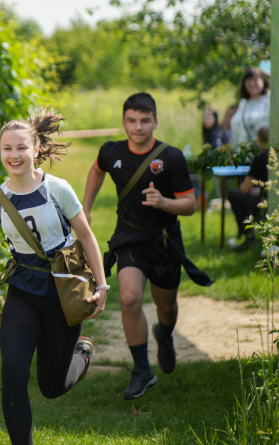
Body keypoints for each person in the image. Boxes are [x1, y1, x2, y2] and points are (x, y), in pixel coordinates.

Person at [0, 110, 108, 445]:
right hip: (23, 291)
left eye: (20, 148)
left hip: (65, 292)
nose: (13, 155)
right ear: (0, 152)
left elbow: (87, 237)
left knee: (51, 388)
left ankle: (83, 353)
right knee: (13, 373)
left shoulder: (57, 189)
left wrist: (102, 286)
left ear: (35, 149)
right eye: (7, 148)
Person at [83, 92, 212, 401]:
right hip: (129, 237)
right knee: (128, 298)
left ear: (155, 121)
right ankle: (142, 369)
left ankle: (164, 336)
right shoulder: (110, 152)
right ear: (124, 121)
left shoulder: (171, 157)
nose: (137, 127)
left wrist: (164, 202)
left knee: (166, 306)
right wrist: (85, 209)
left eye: (144, 121)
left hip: (165, 240)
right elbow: (97, 170)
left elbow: (190, 205)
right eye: (131, 120)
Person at [228, 126, 269, 252]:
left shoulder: (261, 156)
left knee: (234, 194)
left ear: (259, 140)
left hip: (264, 203)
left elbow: (244, 189)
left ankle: (247, 235)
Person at [230, 66, 270, 147]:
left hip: (261, 155)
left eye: (255, 80)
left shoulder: (270, 100)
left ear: (263, 80)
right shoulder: (244, 103)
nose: (252, 83)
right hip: (240, 156)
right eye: (248, 80)